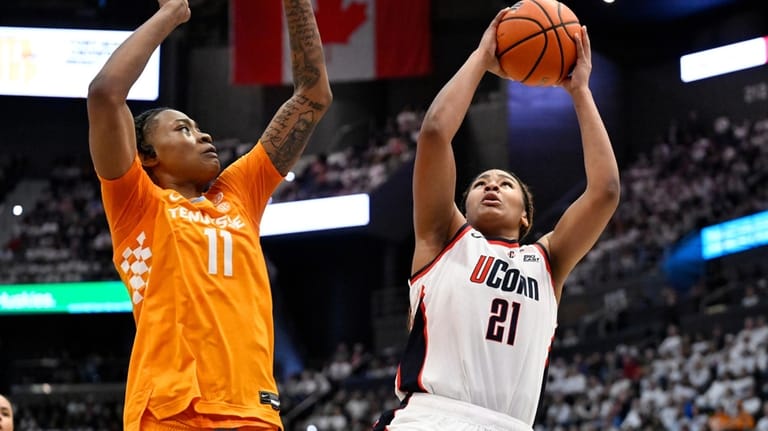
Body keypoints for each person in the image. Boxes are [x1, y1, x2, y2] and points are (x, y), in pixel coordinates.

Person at [86, 0, 331, 429]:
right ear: (147, 155)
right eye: (183, 129)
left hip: (253, 409)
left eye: (199, 128)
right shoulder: (137, 203)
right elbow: (106, 94)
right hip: (171, 411)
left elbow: (312, 97)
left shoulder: (238, 194)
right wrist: (172, 13)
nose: (204, 136)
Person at [373, 8, 619, 431]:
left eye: (505, 184)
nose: (491, 186)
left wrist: (580, 91)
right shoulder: (443, 238)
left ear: (525, 216)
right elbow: (434, 133)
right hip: (431, 417)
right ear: (464, 204)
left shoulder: (548, 261)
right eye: (481, 183)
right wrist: (481, 59)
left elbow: (606, 191)